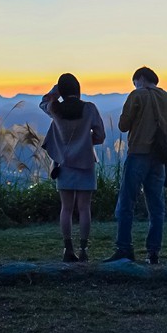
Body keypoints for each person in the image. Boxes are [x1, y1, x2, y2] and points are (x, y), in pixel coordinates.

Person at [105, 66, 167, 264]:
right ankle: (153, 253)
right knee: (156, 207)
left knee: (126, 204)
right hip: (159, 158)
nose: (135, 85)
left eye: (135, 82)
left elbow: (123, 126)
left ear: (140, 78)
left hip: (138, 154)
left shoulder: (137, 95)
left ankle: (124, 248)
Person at [40, 73, 106, 262]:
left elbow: (43, 101)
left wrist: (55, 91)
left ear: (61, 91)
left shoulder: (54, 108)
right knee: (84, 208)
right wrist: (86, 141)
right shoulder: (89, 108)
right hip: (86, 163)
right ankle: (84, 249)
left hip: (64, 164)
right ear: (78, 89)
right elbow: (100, 136)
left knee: (66, 208)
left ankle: (68, 248)